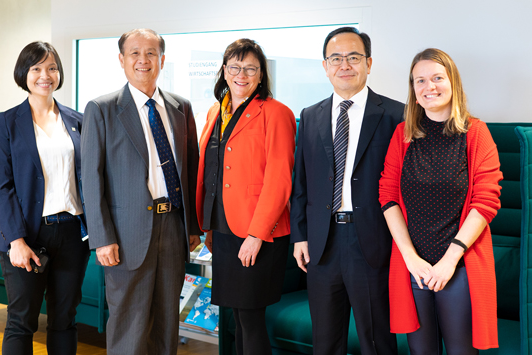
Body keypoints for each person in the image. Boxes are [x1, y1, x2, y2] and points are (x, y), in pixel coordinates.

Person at [81, 28, 202, 355]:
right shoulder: (101, 109)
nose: (143, 60)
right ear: (121, 60)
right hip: (124, 234)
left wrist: (191, 226)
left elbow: (189, 169)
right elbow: (90, 179)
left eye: (150, 53)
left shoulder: (181, 108)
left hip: (173, 228)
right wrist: (102, 237)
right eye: (134, 53)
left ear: (162, 60)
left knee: (166, 324)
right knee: (128, 325)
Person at [378, 48, 502, 353]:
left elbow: (486, 202)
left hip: (459, 265)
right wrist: (410, 258)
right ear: (413, 90)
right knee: (421, 350)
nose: (428, 86)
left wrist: (449, 260)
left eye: (437, 78)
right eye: (420, 80)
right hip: (413, 265)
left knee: (461, 349)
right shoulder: (402, 135)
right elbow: (388, 195)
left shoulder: (476, 133)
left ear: (452, 83)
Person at [290, 27, 403, 354]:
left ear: (368, 63)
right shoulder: (310, 116)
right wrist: (299, 236)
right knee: (325, 342)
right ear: (325, 66)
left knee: (376, 340)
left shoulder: (396, 115)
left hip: (372, 242)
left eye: (353, 57)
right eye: (336, 58)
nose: (345, 65)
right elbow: (301, 182)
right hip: (321, 244)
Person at [195, 38, 296, 355]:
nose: (242, 74)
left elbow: (280, 179)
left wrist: (256, 234)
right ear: (224, 71)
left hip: (258, 233)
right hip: (224, 231)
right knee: (237, 319)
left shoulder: (276, 113)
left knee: (250, 320)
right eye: (235, 67)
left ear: (261, 74)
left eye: (250, 68)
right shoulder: (217, 111)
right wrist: (209, 227)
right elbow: (213, 171)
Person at [0, 41, 90, 355]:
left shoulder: (78, 120)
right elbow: (2, 187)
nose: (45, 75)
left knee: (65, 320)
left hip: (73, 234)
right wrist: (16, 241)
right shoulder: (7, 123)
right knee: (21, 322)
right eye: (36, 69)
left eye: (52, 68)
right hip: (28, 233)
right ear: (24, 73)